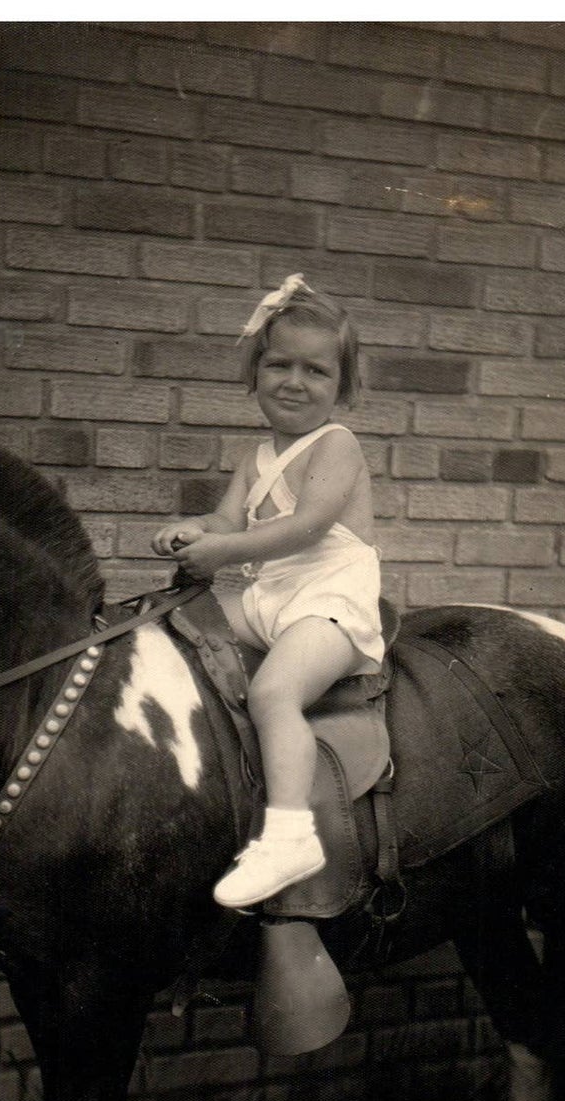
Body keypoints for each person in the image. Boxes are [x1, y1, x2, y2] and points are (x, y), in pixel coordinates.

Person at [152, 275, 383, 909]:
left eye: (316, 371)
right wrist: (194, 531)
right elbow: (230, 523)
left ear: (343, 386)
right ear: (254, 374)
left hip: (327, 602)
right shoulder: (255, 457)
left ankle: (289, 833)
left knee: (275, 690)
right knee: (171, 633)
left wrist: (222, 551)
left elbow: (305, 526)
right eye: (279, 364)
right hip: (270, 596)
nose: (294, 382)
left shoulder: (337, 445)